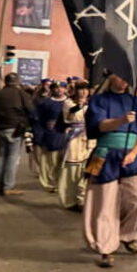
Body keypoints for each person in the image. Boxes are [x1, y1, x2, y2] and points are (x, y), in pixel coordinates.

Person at [84, 74, 137, 268]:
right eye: (119, 76)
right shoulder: (100, 100)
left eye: (126, 77)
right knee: (105, 204)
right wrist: (121, 120)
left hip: (133, 155)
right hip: (105, 154)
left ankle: (127, 234)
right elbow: (99, 125)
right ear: (111, 77)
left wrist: (134, 153)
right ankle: (105, 247)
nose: (123, 80)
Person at [0, 73, 33, 197]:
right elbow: (31, 110)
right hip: (15, 128)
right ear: (17, 81)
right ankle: (8, 186)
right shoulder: (21, 94)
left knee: (1, 156)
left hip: (0, 127)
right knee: (12, 157)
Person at [58, 82, 94, 211]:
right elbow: (69, 116)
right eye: (81, 90)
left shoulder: (92, 103)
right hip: (74, 138)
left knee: (86, 169)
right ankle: (70, 199)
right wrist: (81, 104)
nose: (84, 92)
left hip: (89, 138)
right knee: (72, 170)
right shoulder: (69, 103)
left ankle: (83, 199)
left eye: (86, 89)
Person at [34, 81, 68, 195]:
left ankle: (59, 182)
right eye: (56, 88)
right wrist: (39, 136)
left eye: (61, 88)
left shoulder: (69, 102)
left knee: (62, 160)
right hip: (51, 133)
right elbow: (39, 119)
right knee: (49, 160)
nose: (59, 90)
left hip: (65, 133)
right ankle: (47, 182)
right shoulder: (46, 103)